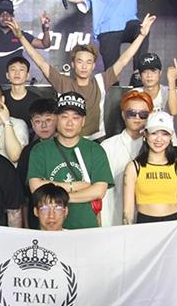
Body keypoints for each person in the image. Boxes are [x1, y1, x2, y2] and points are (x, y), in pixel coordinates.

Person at [11, 14, 156, 140]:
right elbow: (40, 62)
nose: (84, 66)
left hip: (95, 140)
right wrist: (21, 37)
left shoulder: (100, 81)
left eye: (88, 62)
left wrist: (142, 35)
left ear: (93, 65)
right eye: (80, 62)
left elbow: (123, 60)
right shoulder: (63, 83)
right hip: (66, 140)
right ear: (73, 64)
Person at [28, 92, 113, 230]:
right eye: (64, 117)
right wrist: (76, 186)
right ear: (56, 118)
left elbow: (99, 191)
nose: (69, 123)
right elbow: (36, 187)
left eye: (75, 117)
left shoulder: (95, 150)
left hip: (86, 228)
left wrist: (59, 196)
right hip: (52, 229)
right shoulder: (40, 150)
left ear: (83, 121)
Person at [122, 111, 177, 224]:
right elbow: (128, 211)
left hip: (174, 224)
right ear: (145, 134)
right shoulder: (133, 168)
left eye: (165, 134)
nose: (159, 139)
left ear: (171, 136)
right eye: (154, 133)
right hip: (145, 224)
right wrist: (127, 229)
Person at [99, 90, 154, 227]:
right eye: (131, 113)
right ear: (123, 115)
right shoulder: (107, 146)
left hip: (147, 218)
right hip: (112, 215)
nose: (137, 118)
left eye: (143, 114)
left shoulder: (156, 147)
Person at [17, 98, 58, 228]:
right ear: (32, 124)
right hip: (36, 216)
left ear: (57, 120)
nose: (43, 126)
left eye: (48, 120)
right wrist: (25, 225)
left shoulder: (68, 146)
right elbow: (23, 195)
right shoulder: (28, 152)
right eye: (38, 121)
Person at [2, 56, 40, 130]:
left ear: (27, 75)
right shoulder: (1, 98)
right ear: (7, 75)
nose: (17, 73)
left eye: (21, 70)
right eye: (13, 69)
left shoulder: (36, 100)